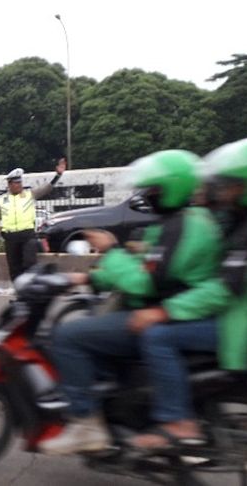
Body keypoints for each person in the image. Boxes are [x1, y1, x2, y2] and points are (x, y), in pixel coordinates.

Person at [39, 150, 225, 455]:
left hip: (169, 313)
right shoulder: (181, 222)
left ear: (172, 189)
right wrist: (89, 279)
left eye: (154, 190)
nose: (148, 196)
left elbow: (144, 281)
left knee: (68, 336)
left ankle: (85, 423)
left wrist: (111, 251)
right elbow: (145, 265)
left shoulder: (183, 226)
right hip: (171, 308)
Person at [132, 137, 247, 449]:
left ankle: (178, 420)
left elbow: (228, 286)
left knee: (159, 336)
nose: (223, 192)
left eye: (232, 185)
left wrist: (165, 311)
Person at [0, 159, 67, 281]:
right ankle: (19, 294)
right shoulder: (1, 199)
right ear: (9, 184)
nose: (19, 185)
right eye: (16, 183)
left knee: (29, 263)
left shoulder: (30, 195)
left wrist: (58, 175)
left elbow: (47, 188)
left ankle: (29, 291)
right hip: (10, 237)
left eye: (20, 182)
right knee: (14, 267)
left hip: (27, 235)